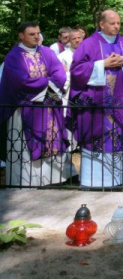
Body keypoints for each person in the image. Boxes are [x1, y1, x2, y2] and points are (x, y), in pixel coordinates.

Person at [69, 10, 123, 187]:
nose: (117, 26)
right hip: (98, 107)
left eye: (118, 23)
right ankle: (95, 180)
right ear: (102, 24)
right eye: (112, 23)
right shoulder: (89, 44)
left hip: (121, 102)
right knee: (99, 139)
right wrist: (102, 64)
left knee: (121, 137)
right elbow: (76, 71)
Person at [0, 22, 75, 186]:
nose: (36, 37)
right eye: (32, 34)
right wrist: (47, 83)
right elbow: (19, 81)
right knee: (26, 146)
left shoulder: (47, 52)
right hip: (25, 108)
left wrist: (46, 84)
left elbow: (59, 73)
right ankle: (29, 181)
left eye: (38, 33)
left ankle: (56, 178)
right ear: (21, 35)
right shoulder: (13, 57)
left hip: (49, 106)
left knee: (53, 140)